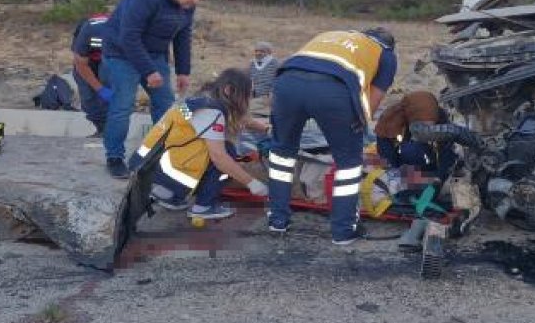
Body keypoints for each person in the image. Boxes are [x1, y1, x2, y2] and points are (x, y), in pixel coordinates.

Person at [266, 27, 397, 244]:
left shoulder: (332, 34)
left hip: (286, 83)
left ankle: (277, 220)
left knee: (281, 155)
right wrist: (360, 121)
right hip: (333, 92)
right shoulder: (386, 54)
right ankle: (344, 230)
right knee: (348, 165)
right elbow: (375, 96)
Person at [101, 0, 206, 178]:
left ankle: (160, 154)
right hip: (121, 53)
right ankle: (114, 158)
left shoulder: (186, 5)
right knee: (123, 105)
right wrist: (148, 70)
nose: (195, 1)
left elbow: (182, 37)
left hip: (155, 53)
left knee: (166, 104)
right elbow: (128, 37)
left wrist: (184, 71)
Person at [132, 68, 268, 219]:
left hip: (147, 164)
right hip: (162, 176)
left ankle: (171, 191)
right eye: (247, 95)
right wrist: (252, 183)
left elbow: (241, 118)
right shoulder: (211, 112)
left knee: (218, 149)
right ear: (229, 90)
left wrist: (265, 128)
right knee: (228, 154)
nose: (249, 100)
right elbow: (219, 158)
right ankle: (203, 206)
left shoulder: (203, 99)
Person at [373, 90, 457, 183]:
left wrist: (439, 176)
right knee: (410, 151)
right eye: (423, 126)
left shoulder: (439, 116)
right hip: (403, 159)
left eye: (431, 127)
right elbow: (387, 157)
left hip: (427, 157)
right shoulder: (390, 121)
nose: (428, 130)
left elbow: (446, 151)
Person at [71, 13, 113, 137]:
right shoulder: (86, 31)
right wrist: (99, 89)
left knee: (107, 78)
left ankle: (110, 129)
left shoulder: (125, 33)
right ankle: (101, 128)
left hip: (111, 59)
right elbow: (80, 63)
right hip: (86, 61)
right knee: (87, 96)